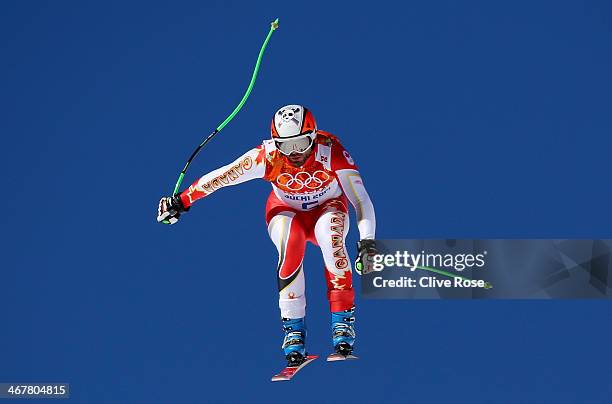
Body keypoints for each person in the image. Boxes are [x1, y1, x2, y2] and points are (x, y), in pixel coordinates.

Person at [157, 105, 376, 365]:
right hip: (285, 209)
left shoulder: (331, 152)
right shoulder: (267, 157)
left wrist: (367, 243)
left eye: (302, 143)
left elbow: (360, 199)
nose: (295, 154)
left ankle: (342, 322)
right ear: (276, 144)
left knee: (332, 243)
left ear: (314, 137)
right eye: (286, 146)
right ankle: (293, 329)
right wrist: (181, 201)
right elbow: (224, 176)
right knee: (290, 246)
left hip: (327, 207)